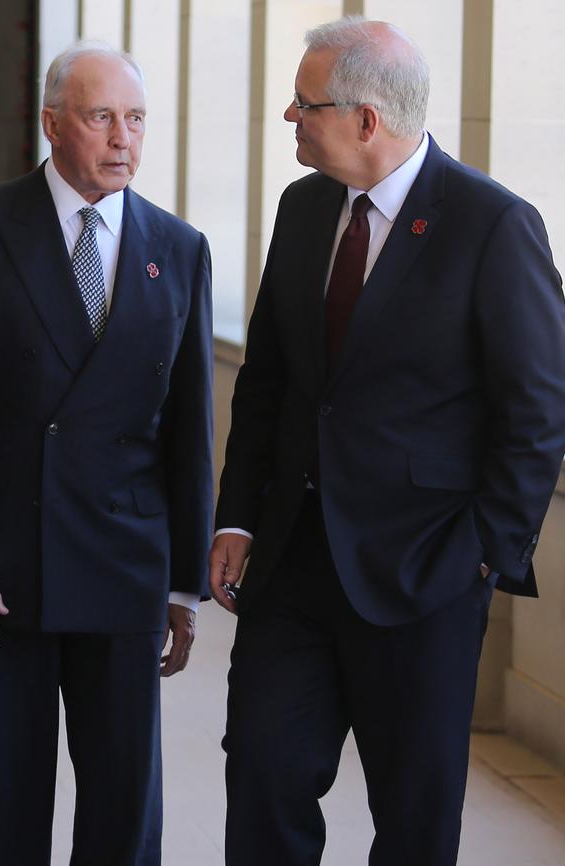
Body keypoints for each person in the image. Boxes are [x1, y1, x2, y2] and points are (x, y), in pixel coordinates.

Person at [209, 14, 565, 866]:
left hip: (424, 573)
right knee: (262, 771)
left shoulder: (492, 225)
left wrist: (483, 553)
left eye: (305, 104)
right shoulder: (300, 209)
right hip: (291, 563)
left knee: (413, 812)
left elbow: (538, 410)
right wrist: (235, 518)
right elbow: (266, 383)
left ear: (366, 119)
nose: (290, 119)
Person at [0, 41, 212, 866]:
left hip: (123, 569)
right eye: (101, 117)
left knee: (125, 816)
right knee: (3, 809)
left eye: (138, 120)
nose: (124, 139)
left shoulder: (179, 247)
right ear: (52, 124)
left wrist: (183, 585)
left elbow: (190, 431)